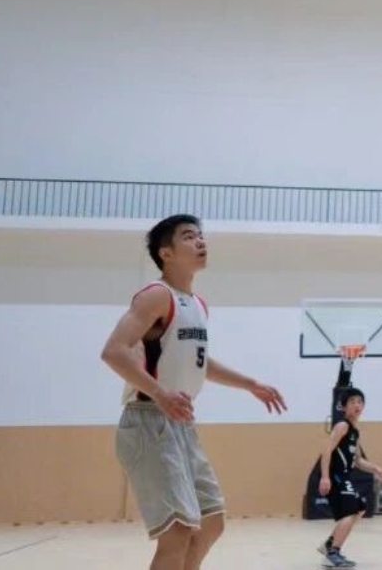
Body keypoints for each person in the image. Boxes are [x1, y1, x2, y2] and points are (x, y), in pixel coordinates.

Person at [99, 214, 287, 570]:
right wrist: (160, 393)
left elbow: (199, 362)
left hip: (180, 424)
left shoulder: (197, 304)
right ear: (166, 253)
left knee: (212, 521)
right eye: (188, 236)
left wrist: (251, 384)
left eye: (201, 236)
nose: (201, 241)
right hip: (147, 421)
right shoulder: (156, 296)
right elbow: (114, 351)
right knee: (177, 533)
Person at [316, 389, 382, 568]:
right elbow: (326, 450)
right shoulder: (342, 426)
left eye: (360, 401)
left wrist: (376, 469)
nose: (357, 405)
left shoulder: (355, 431)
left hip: (344, 476)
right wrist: (325, 477)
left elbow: (357, 460)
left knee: (360, 508)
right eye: (352, 402)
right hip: (335, 476)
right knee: (351, 511)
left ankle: (329, 545)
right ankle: (332, 553)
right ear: (344, 407)